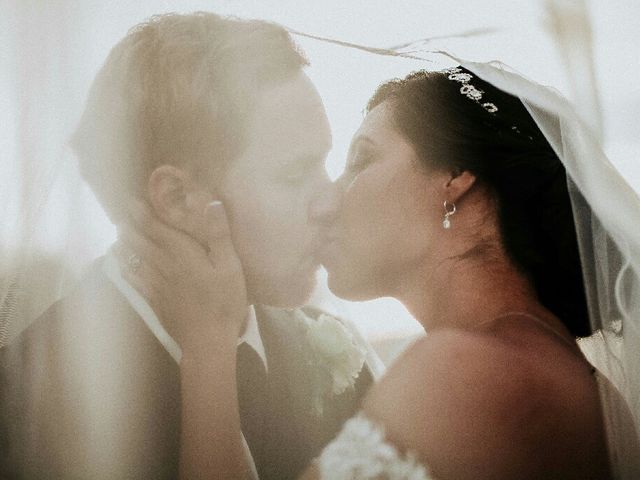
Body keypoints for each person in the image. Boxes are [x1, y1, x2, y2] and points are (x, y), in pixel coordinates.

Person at [126, 65, 640, 479]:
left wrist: (208, 348)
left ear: (454, 178)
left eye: (360, 160)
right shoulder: (574, 377)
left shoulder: (463, 374)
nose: (328, 200)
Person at [0, 13, 376, 480]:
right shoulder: (24, 404)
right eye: (295, 175)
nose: (330, 201)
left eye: (325, 163)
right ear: (177, 197)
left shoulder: (331, 351)